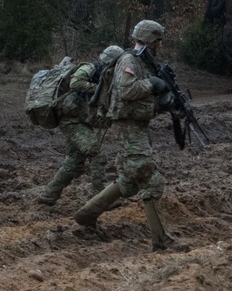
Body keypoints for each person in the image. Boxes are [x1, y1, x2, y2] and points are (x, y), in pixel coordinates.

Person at [74, 20, 189, 252]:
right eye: (156, 40)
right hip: (128, 129)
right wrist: (151, 84)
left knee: (128, 180)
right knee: (151, 181)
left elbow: (144, 98)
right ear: (147, 38)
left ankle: (86, 214)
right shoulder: (129, 61)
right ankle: (162, 241)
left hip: (136, 128)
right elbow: (126, 90)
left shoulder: (142, 62)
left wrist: (167, 102)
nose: (159, 44)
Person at [37, 45, 124, 206]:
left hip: (80, 122)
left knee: (73, 162)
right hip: (71, 122)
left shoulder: (105, 75)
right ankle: (101, 197)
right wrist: (97, 89)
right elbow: (75, 83)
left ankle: (48, 195)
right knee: (96, 153)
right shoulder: (89, 68)